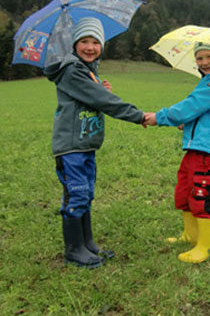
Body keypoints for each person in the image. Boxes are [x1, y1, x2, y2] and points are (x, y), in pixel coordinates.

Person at [44, 17, 144, 269]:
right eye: (84, 41)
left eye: (96, 42)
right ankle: (74, 250)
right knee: (76, 195)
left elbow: (94, 95)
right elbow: (103, 101)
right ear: (75, 44)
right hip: (71, 147)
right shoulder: (71, 70)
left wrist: (100, 86)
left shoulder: (87, 71)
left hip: (86, 145)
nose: (90, 47)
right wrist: (139, 115)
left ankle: (87, 243)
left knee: (86, 194)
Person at [144, 42, 210, 263]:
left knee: (201, 193)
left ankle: (209, 246)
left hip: (207, 150)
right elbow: (203, 111)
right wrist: (187, 123)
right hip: (196, 148)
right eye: (199, 58)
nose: (204, 62)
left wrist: (160, 117)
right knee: (185, 189)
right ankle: (191, 235)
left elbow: (192, 105)